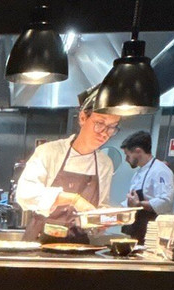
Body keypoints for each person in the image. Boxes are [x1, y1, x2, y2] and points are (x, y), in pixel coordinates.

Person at [15, 86, 120, 244]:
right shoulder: (49, 152)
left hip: (79, 245)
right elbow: (25, 194)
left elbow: (100, 206)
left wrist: (103, 218)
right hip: (39, 243)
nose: (105, 133)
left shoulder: (105, 163)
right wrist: (74, 199)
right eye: (100, 123)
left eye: (112, 127)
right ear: (83, 118)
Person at [120, 130, 174, 242]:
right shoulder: (138, 173)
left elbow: (165, 202)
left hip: (152, 232)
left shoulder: (160, 170)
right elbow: (132, 201)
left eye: (127, 155)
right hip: (137, 230)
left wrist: (139, 204)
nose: (126, 160)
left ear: (138, 151)